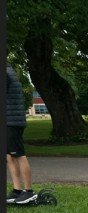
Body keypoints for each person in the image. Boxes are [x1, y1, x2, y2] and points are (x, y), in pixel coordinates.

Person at [6, 62, 37, 205]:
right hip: (9, 120)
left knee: (18, 154)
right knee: (10, 156)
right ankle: (17, 190)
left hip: (12, 121)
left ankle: (29, 191)